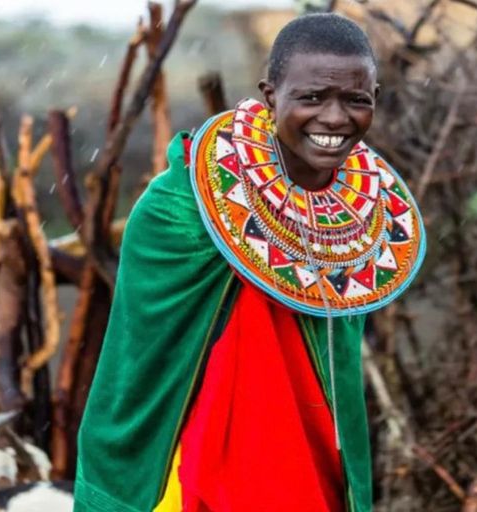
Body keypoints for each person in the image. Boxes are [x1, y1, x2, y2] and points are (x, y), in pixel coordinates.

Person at [73, 13, 426, 512]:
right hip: (188, 469)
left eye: (356, 100)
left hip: (313, 464)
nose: (334, 118)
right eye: (311, 97)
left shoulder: (363, 224)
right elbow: (139, 364)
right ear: (269, 94)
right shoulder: (179, 210)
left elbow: (335, 372)